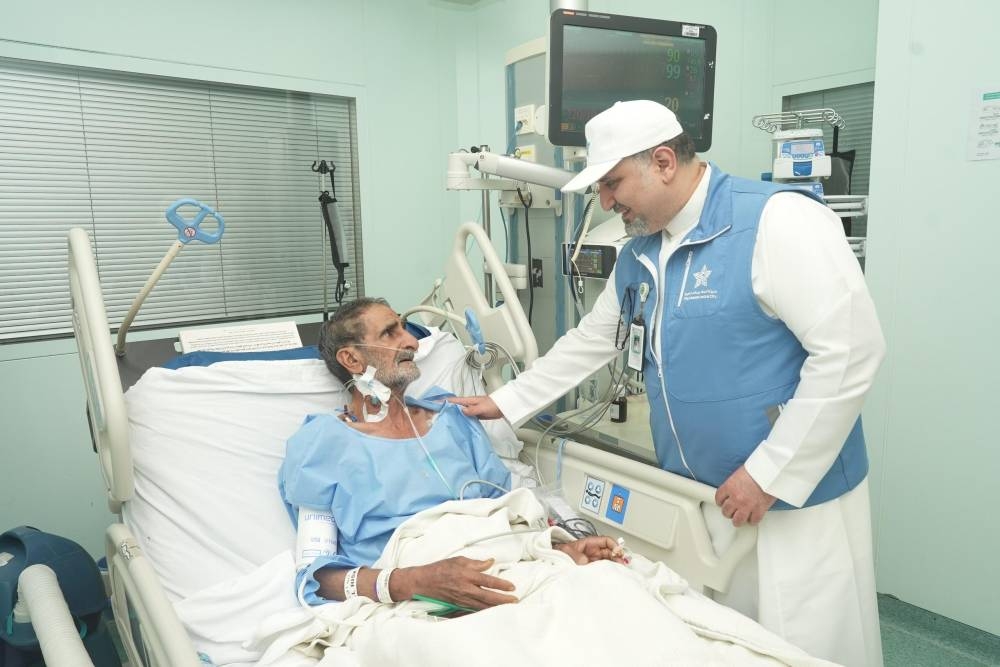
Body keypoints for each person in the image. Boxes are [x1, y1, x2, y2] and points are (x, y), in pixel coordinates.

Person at [452, 100, 886, 666]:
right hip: (704, 492)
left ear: (662, 162)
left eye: (612, 183)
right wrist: (506, 401)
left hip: (792, 500)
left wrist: (769, 472)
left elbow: (850, 352)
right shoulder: (639, 252)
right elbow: (594, 339)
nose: (606, 202)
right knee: (723, 642)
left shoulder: (775, 222)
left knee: (802, 642)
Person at [278, 297, 623, 612]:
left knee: (614, 595)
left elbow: (506, 520)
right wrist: (413, 582)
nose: (411, 343)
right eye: (390, 333)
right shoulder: (324, 444)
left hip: (508, 574)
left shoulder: (453, 419)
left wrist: (560, 550)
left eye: (405, 329)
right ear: (352, 359)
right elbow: (317, 579)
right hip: (419, 600)